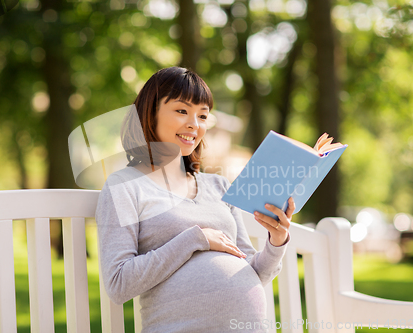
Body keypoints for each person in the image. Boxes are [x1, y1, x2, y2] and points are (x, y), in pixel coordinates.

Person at [95, 66, 294, 332]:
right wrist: (195, 239)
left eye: (202, 115)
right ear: (149, 113)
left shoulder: (219, 186)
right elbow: (118, 284)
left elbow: (254, 273)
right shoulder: (125, 186)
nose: (194, 124)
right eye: (182, 111)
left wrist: (276, 242)